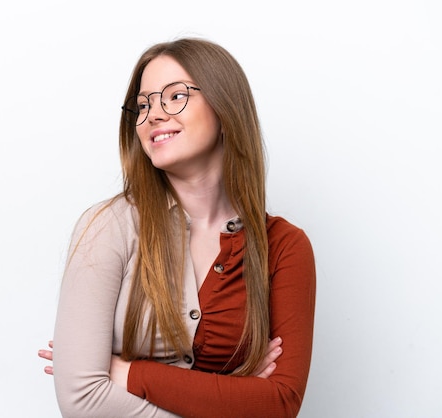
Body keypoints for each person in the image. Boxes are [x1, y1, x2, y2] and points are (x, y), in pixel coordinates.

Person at [38, 37, 316, 418]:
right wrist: (235, 392)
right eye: (143, 104)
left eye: (174, 96)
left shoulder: (284, 246)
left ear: (225, 107)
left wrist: (128, 372)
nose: (153, 114)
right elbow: (82, 397)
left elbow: (278, 403)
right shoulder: (107, 228)